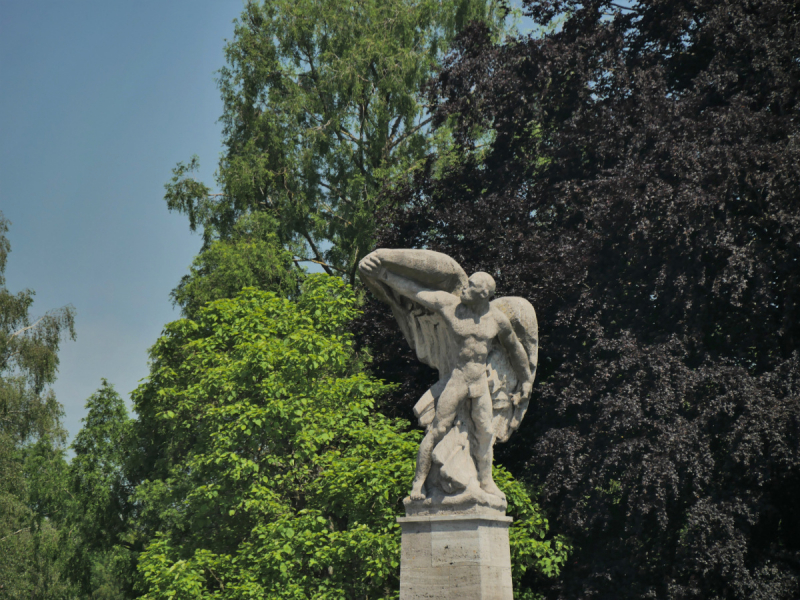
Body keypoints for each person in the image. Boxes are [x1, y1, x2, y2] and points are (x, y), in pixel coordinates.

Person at [359, 253, 534, 501]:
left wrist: (526, 380)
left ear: (484, 294)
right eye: (468, 282)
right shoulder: (450, 306)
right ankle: (418, 484)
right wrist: (383, 274)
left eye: (472, 286)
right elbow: (416, 292)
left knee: (485, 432)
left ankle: (486, 482)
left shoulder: (497, 320)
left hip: (480, 384)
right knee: (437, 430)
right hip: (459, 379)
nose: (465, 288)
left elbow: (516, 350)